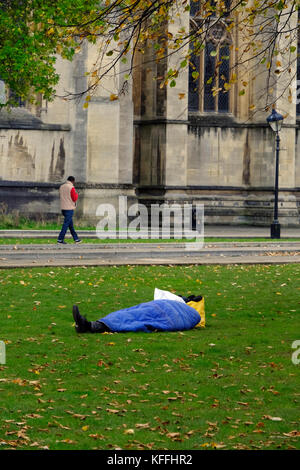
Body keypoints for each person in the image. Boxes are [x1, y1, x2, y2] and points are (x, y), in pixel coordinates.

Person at [72, 294, 205, 334]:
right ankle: (93, 324)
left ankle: (92, 326)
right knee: (129, 313)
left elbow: (193, 317)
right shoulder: (179, 303)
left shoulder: (190, 312)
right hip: (159, 307)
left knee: (133, 318)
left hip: (166, 313)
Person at [57, 176, 81, 244]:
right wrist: (77, 194)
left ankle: (76, 239)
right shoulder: (71, 187)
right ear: (73, 181)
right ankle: (60, 239)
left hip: (63, 208)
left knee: (70, 225)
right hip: (69, 208)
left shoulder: (61, 187)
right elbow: (74, 198)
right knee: (66, 224)